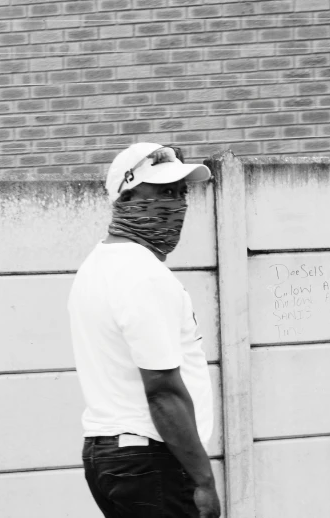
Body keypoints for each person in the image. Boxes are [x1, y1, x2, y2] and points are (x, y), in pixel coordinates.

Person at [68, 142, 221, 517]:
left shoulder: (95, 266)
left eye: (181, 193)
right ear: (126, 195)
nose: (177, 205)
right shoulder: (144, 276)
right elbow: (163, 392)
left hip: (110, 455)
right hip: (151, 459)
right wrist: (203, 480)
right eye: (164, 193)